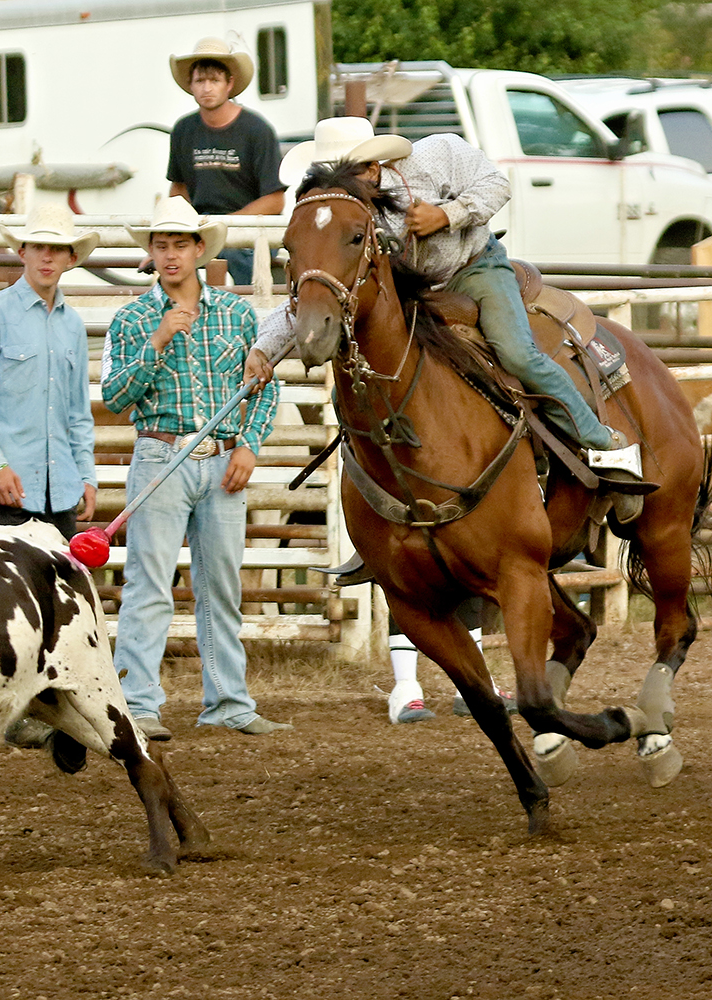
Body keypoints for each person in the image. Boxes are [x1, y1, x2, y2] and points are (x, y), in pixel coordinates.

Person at [248, 117, 641, 486]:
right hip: (411, 293)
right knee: (352, 388)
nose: (335, 187)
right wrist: (265, 347)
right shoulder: (343, 217)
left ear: (372, 167)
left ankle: (601, 442)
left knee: (517, 353)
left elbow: (496, 185)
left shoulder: (437, 155)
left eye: (344, 174)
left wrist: (446, 214)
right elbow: (321, 291)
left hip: (473, 268)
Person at [102, 197, 288, 741]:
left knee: (222, 585)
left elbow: (263, 386)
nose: (170, 255)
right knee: (148, 585)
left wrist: (249, 445)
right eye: (161, 245)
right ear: (151, 252)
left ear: (199, 249)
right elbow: (115, 396)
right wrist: (157, 342)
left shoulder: (236, 314)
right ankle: (138, 703)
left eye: (179, 245)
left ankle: (228, 702)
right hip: (160, 454)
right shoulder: (133, 319)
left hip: (223, 458)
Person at [0, 205, 99, 539]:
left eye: (57, 249)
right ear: (23, 253)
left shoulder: (73, 326)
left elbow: (78, 412)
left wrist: (86, 475)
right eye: (38, 247)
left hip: (59, 489)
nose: (47, 257)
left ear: (71, 258)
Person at [166, 37, 286, 286]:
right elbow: (179, 189)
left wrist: (228, 224)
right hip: (200, 228)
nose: (207, 88)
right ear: (190, 84)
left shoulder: (257, 130)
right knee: (167, 257)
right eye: (200, 81)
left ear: (229, 84)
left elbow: (275, 200)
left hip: (253, 229)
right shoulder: (183, 130)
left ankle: (252, 306)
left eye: (214, 80)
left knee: (236, 256)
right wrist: (172, 227)